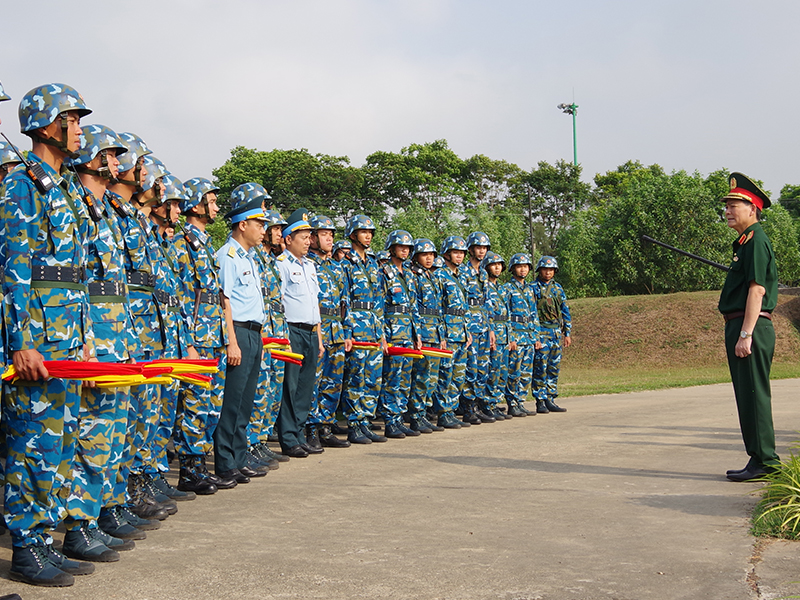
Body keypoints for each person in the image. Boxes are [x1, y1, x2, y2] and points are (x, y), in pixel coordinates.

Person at [1, 83, 96, 586]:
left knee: (58, 446)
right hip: (37, 338)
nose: (79, 128)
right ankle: (25, 547)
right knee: (29, 446)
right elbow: (14, 271)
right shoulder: (22, 185)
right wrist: (20, 341)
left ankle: (42, 539)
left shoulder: (63, 187)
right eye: (72, 119)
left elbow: (75, 271)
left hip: (66, 338)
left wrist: (80, 335)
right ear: (46, 125)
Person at [61, 124, 137, 563]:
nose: (115, 163)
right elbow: (81, 283)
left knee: (107, 433)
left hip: (115, 332)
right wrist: (87, 343)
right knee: (88, 435)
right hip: (92, 336)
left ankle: (92, 518)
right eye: (107, 155)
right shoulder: (76, 203)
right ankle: (77, 527)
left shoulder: (105, 209)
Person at [174, 178, 237, 489]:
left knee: (211, 405)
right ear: (195, 205)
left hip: (213, 336)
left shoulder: (205, 243)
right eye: (211, 202)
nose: (215, 207)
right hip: (197, 337)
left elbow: (216, 296)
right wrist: (188, 342)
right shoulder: (181, 242)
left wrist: (225, 339)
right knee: (195, 405)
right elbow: (183, 295)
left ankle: (200, 462)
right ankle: (189, 468)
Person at [719, 172, 780, 482]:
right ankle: (757, 457)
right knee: (747, 396)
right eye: (727, 206)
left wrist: (745, 334)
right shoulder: (744, 242)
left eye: (734, 205)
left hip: (751, 327)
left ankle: (767, 461)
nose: (728, 211)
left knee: (754, 395)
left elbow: (757, 290)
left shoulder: (756, 241)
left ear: (753, 208)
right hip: (743, 325)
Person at [213, 187, 269, 484]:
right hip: (240, 333)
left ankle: (238, 456)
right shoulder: (228, 255)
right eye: (259, 224)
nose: (264, 230)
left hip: (254, 333)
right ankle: (224, 463)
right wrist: (231, 340)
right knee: (231, 401)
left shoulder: (249, 257)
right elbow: (225, 300)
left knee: (246, 401)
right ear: (242, 224)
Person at [275, 209, 324, 458]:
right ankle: (288, 437)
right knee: (290, 386)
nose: (308, 241)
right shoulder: (281, 265)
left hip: (311, 332)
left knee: (306, 386)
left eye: (308, 237)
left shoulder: (311, 266)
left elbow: (314, 304)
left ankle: (299, 431)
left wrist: (320, 337)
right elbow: (279, 303)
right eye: (303, 237)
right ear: (288, 239)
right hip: (292, 331)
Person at [305, 215, 352, 448]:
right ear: (312, 238)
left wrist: (347, 331)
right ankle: (310, 428)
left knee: (333, 381)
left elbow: (345, 303)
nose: (329, 239)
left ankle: (325, 425)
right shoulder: (306, 263)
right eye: (324, 234)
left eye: (331, 235)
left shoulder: (336, 267)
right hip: (318, 327)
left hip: (336, 328)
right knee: (314, 380)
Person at [341, 215, 388, 444]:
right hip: (357, 328)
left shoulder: (373, 263)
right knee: (356, 377)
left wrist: (381, 333)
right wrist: (348, 331)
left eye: (370, 231)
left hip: (373, 327)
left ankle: (366, 421)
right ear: (352, 235)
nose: (368, 235)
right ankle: (353, 423)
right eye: (363, 231)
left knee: (373, 378)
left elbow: (379, 300)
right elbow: (344, 300)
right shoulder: (345, 264)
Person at [377, 230, 422, 439]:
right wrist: (382, 336)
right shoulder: (383, 272)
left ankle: (399, 417)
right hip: (393, 332)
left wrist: (417, 335)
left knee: (405, 379)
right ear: (392, 248)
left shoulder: (410, 275)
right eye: (400, 246)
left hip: (407, 332)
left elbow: (414, 308)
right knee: (392, 378)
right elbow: (379, 307)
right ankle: (389, 420)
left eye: (407, 248)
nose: (404, 250)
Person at [432, 236, 472, 429]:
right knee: (445, 374)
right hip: (447, 330)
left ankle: (452, 410)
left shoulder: (461, 276)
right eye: (456, 252)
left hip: (461, 331)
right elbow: (437, 307)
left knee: (458, 375)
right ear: (447, 254)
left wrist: (468, 330)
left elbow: (464, 307)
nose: (460, 256)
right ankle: (443, 412)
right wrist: (441, 334)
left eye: (462, 253)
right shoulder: (439, 276)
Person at [407, 238, 445, 433]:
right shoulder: (414, 276)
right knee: (421, 375)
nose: (429, 258)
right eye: (424, 254)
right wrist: (417, 334)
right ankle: (415, 415)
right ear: (416, 256)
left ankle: (424, 413)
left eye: (431, 254)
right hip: (423, 331)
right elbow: (414, 306)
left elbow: (438, 308)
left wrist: (442, 334)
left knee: (432, 377)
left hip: (435, 331)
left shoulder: (432, 277)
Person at [459, 231, 496, 424]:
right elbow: (461, 301)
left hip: (482, 322)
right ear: (471, 249)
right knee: (470, 367)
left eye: (484, 248)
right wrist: (466, 328)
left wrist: (490, 329)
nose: (481, 251)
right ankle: (467, 407)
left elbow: (487, 302)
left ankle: (478, 404)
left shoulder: (483, 273)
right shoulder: (463, 272)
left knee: (483, 366)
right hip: (470, 324)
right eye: (478, 247)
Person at [530, 256, 571, 414]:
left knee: (554, 367)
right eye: (545, 269)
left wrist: (566, 333)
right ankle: (540, 400)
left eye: (551, 270)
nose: (548, 272)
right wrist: (535, 336)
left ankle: (550, 397)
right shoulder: (532, 287)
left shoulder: (558, 288)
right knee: (541, 366)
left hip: (555, 332)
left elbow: (565, 311)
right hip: (541, 330)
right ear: (539, 270)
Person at [502, 253, 541, 417]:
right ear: (512, 269)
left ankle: (521, 401)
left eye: (525, 266)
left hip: (528, 336)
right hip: (516, 336)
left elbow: (534, 313)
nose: (523, 269)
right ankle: (512, 403)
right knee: (514, 371)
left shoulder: (530, 289)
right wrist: (510, 337)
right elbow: (505, 314)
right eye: (519, 266)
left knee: (526, 372)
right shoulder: (507, 289)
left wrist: (536, 336)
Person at [482, 251, 512, 420]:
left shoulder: (502, 288)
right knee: (492, 370)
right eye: (494, 265)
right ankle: (486, 404)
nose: (497, 268)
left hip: (504, 333)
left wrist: (510, 336)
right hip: (493, 332)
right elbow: (487, 313)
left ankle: (494, 402)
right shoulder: (485, 286)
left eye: (499, 265)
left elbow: (507, 313)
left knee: (502, 371)